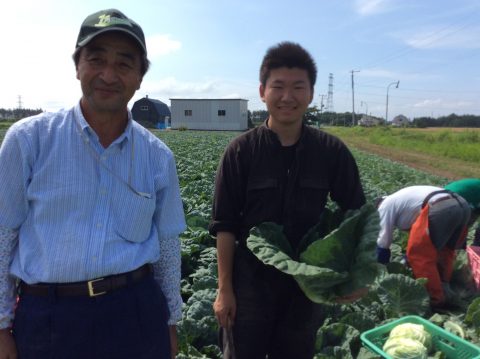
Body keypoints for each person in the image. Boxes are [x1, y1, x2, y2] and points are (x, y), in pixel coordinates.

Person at [0, 9, 185, 359]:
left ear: (139, 77)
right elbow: (3, 234)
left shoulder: (158, 157)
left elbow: (168, 248)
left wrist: (170, 323)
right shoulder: (28, 140)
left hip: (135, 313)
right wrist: (0, 325)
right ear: (77, 67)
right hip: (49, 316)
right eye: (96, 59)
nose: (108, 75)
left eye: (124, 64)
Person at [209, 42, 365, 359]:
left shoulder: (331, 151)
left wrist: (356, 272)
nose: (287, 97)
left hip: (305, 288)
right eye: (278, 87)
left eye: (298, 87)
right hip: (249, 284)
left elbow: (357, 214)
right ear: (263, 91)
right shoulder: (241, 151)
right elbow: (224, 225)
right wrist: (224, 289)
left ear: (310, 94)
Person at [375, 185, 472, 307]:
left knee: (419, 256)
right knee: (445, 251)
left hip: (441, 208)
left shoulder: (384, 206)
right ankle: (445, 287)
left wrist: (379, 270)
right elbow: (420, 236)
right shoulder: (402, 200)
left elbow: (383, 243)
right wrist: (405, 259)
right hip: (463, 206)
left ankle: (435, 300)